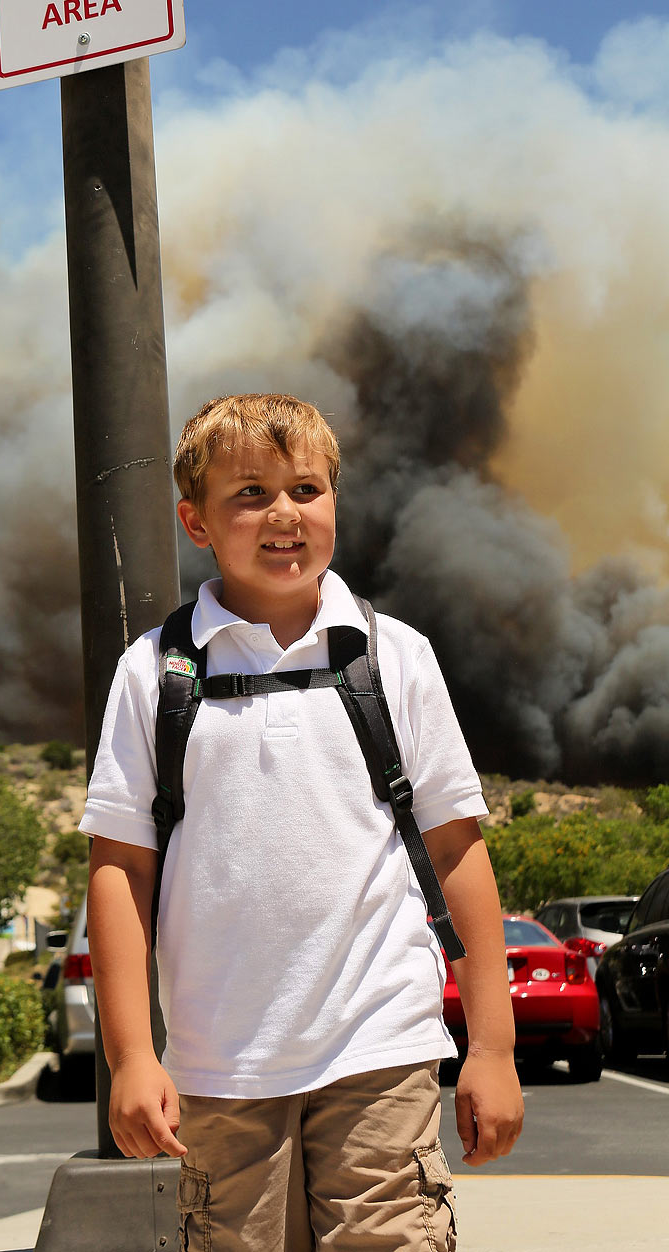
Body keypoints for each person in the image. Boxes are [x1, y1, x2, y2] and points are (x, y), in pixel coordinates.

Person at [80, 393, 523, 1251]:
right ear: (196, 520)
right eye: (249, 492)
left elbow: (456, 851)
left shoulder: (395, 656)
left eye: (307, 489)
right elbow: (120, 869)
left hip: (381, 1043)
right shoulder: (154, 673)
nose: (283, 513)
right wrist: (133, 1055)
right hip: (220, 1066)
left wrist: (492, 1048)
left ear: (335, 504)